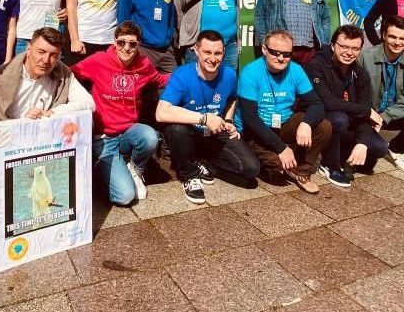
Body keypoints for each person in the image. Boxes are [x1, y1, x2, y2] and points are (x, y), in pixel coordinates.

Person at [0, 28, 95, 210]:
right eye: (41, 52)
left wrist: (55, 112)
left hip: (40, 149)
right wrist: (22, 123)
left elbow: (89, 103)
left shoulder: (63, 73)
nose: (46, 60)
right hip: (3, 149)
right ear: (28, 48)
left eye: (53, 55)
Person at [156, 30, 259, 204]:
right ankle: (189, 174)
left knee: (251, 169)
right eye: (207, 52)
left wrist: (227, 120)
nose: (213, 58)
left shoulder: (229, 75)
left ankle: (202, 162)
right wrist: (204, 118)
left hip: (213, 133)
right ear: (196, 51)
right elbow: (161, 113)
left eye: (218, 53)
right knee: (175, 128)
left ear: (224, 53)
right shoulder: (182, 75)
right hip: (188, 133)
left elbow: (232, 98)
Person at [71, 22, 168, 204]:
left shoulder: (143, 64)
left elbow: (160, 79)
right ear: (114, 42)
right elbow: (71, 74)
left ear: (138, 45)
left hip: (128, 131)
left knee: (150, 137)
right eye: (122, 42)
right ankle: (101, 171)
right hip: (104, 136)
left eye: (132, 44)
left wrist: (192, 73)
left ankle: (135, 169)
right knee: (124, 197)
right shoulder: (98, 60)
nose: (126, 48)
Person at [236, 30, 330, 193]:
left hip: (283, 123)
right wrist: (280, 148)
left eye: (286, 54)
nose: (281, 58)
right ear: (264, 49)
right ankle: (273, 157)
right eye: (275, 52)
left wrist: (306, 124)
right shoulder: (251, 72)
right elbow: (250, 118)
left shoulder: (296, 70)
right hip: (254, 131)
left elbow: (316, 104)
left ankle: (302, 171)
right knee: (278, 163)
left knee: (323, 126)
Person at [304, 25, 376, 188]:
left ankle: (345, 155)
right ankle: (330, 165)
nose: (349, 53)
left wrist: (362, 143)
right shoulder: (316, 66)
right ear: (333, 45)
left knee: (377, 148)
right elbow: (327, 102)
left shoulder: (360, 73)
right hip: (321, 120)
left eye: (355, 49)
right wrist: (365, 110)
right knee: (339, 118)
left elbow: (364, 111)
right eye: (344, 46)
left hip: (350, 119)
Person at [360, 15, 404, 173]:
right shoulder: (365, 57)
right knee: (365, 165)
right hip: (369, 113)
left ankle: (396, 148)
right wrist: (369, 114)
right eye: (392, 36)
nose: (397, 42)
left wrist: (384, 117)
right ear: (383, 35)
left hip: (396, 114)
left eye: (402, 38)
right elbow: (357, 92)